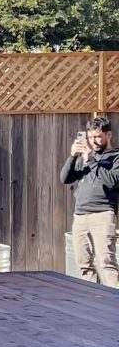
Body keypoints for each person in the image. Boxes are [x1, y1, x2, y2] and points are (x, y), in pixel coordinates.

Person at [60, 117, 119, 287]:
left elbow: (112, 181)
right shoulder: (84, 158)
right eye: (90, 137)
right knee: (84, 265)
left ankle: (114, 305)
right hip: (80, 215)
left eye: (98, 137)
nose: (93, 141)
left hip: (103, 214)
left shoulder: (115, 157)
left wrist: (91, 160)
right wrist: (73, 156)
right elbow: (65, 178)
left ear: (108, 135)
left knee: (106, 263)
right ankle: (91, 302)